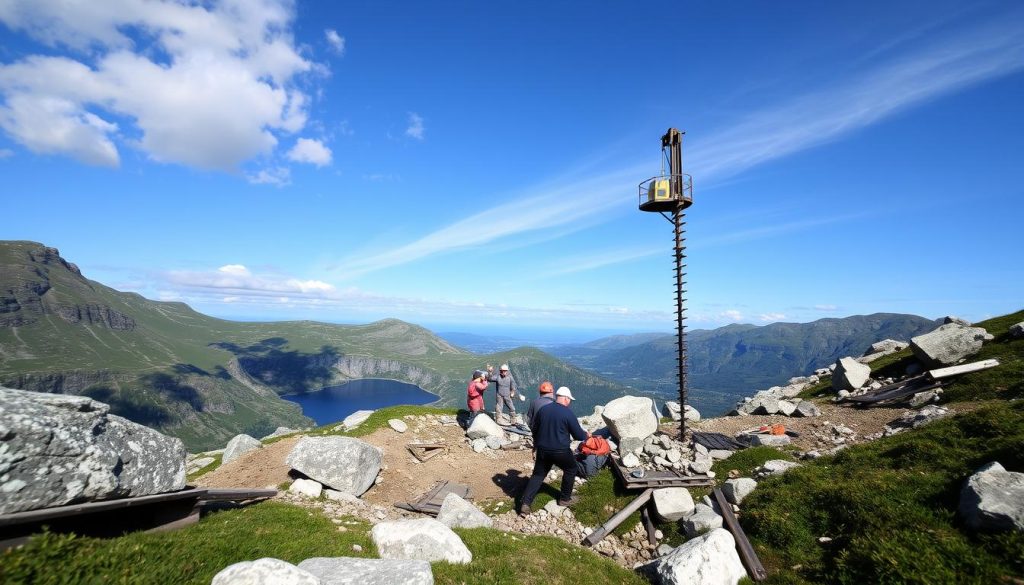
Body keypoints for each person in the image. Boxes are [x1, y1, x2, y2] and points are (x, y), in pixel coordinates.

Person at [519, 387, 590, 515]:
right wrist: (587, 435)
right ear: (566, 398)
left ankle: (525, 503)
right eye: (569, 399)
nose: (569, 402)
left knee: (538, 475)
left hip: (543, 450)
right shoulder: (567, 413)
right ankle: (564, 499)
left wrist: (536, 445)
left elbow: (534, 428)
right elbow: (578, 435)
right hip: (560, 451)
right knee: (571, 468)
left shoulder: (543, 410)